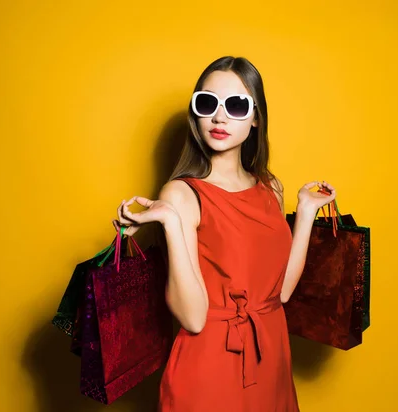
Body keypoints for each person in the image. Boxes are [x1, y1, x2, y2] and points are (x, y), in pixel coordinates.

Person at [113, 56, 336, 411]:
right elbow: (193, 318)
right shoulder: (181, 194)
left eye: (235, 105)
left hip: (270, 359)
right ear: (195, 113)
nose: (219, 117)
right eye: (207, 103)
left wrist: (306, 211)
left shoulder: (270, 188)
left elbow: (280, 294)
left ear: (256, 117)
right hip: (209, 368)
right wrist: (170, 222)